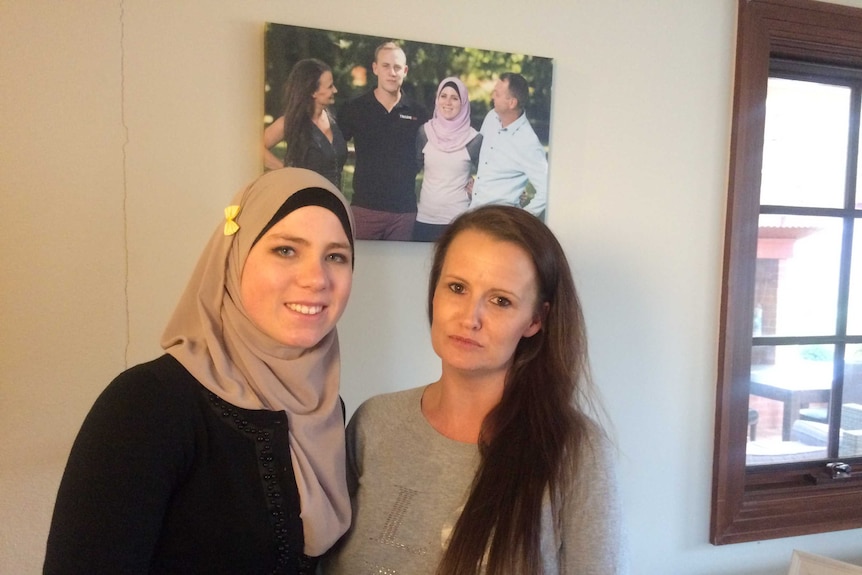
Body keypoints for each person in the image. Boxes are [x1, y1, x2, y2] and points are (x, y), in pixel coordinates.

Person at [44, 168, 356, 574]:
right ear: (234, 256)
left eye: (336, 256)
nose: (316, 279)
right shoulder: (147, 404)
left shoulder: (328, 409)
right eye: (285, 250)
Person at [323, 206, 623, 574]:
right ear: (434, 292)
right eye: (457, 288)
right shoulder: (374, 422)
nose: (469, 318)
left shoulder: (576, 452)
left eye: (500, 300)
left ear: (535, 320)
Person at [339, 41, 428, 241]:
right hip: (364, 209)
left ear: (405, 71)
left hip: (404, 213)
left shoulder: (418, 112)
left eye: (397, 67)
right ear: (375, 68)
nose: (392, 72)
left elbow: (433, 153)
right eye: (386, 66)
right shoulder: (355, 108)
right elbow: (332, 150)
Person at [412, 76, 483, 242]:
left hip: (458, 220)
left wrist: (477, 188)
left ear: (463, 102)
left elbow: (488, 175)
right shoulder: (424, 132)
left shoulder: (474, 139)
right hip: (426, 218)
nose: (448, 102)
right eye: (443, 96)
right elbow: (413, 168)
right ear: (437, 100)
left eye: (455, 98)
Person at [471, 72, 549, 218]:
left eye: (497, 94)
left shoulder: (528, 142)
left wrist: (520, 220)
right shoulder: (491, 117)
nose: (492, 96)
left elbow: (547, 190)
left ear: (512, 103)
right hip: (474, 214)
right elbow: (485, 163)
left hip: (499, 223)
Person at [264, 59, 348, 188]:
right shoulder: (291, 122)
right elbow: (255, 149)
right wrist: (286, 171)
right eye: (330, 86)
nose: (335, 90)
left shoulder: (333, 117)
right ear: (313, 92)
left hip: (333, 201)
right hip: (305, 201)